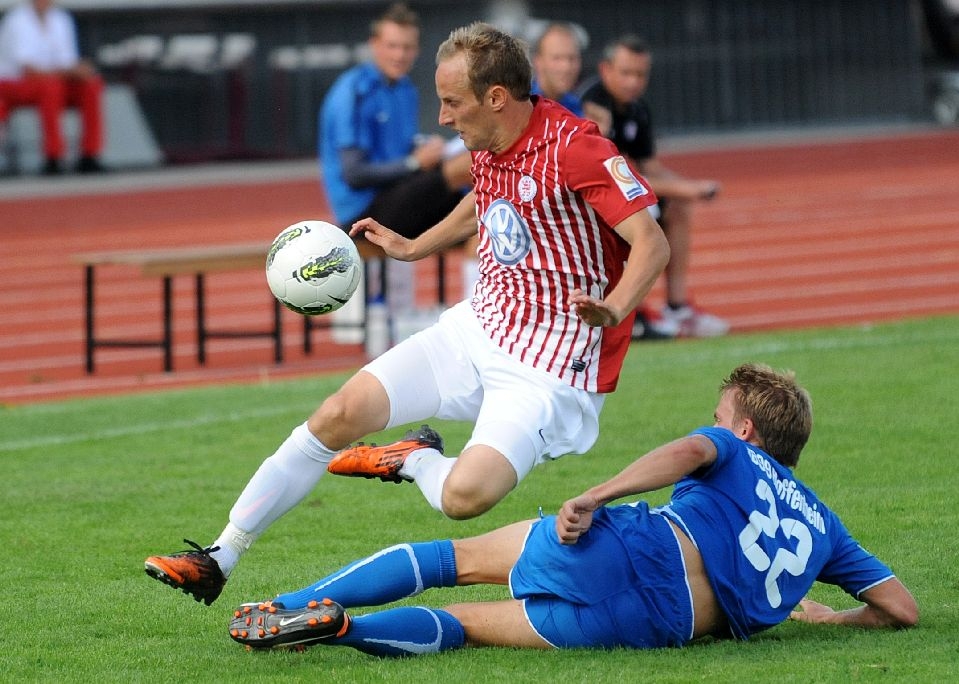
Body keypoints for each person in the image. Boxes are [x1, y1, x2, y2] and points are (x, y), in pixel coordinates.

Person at [144, 22, 669, 607]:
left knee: (463, 497)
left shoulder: (577, 147)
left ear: (497, 97)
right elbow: (487, 199)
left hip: (548, 367)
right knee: (338, 413)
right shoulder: (490, 140)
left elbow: (652, 243)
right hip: (477, 330)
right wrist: (416, 245)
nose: (442, 118)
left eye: (451, 102)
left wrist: (616, 305)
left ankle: (415, 458)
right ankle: (220, 554)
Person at [225, 362, 918, 655]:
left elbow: (685, 453)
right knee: (464, 627)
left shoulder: (728, 449)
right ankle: (340, 631)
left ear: (744, 431)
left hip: (634, 546)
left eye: (718, 416)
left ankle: (292, 601)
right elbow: (901, 609)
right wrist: (835, 614)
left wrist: (599, 493)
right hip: (660, 624)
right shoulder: (825, 527)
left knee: (451, 560)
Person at [317, 2, 468, 316]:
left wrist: (423, 149)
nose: (400, 55)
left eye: (407, 47)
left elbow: (400, 149)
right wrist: (416, 163)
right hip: (362, 213)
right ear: (374, 45)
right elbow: (354, 173)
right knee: (468, 166)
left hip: (401, 198)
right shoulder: (353, 91)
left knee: (485, 214)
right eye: (392, 46)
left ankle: (485, 321)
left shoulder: (405, 89)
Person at [581, 35, 727, 340]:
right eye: (626, 73)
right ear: (606, 69)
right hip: (590, 202)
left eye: (640, 74)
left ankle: (676, 307)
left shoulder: (638, 109)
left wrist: (685, 186)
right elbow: (617, 175)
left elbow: (649, 167)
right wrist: (689, 189)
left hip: (620, 192)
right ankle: (634, 312)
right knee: (642, 212)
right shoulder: (592, 107)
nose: (633, 82)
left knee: (676, 207)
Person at [461, 21, 586, 299]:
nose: (566, 66)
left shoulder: (575, 107)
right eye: (558, 58)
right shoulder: (519, 99)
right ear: (538, 61)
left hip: (544, 195)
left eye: (572, 58)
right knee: (491, 210)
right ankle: (474, 301)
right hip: (500, 189)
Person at [0, 0, 104, 175]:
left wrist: (80, 70)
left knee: (91, 85)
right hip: (14, 84)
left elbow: (67, 61)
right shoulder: (16, 20)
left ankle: (89, 155)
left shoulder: (61, 19)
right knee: (51, 88)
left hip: (53, 82)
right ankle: (53, 156)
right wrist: (68, 72)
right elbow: (29, 71)